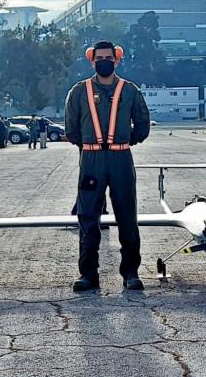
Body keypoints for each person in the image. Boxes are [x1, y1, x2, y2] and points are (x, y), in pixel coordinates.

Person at [65, 40, 151, 291]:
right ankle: (88, 275)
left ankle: (131, 273)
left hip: (121, 159)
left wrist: (126, 141)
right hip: (91, 161)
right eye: (99, 58)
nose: (104, 62)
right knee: (88, 219)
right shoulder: (79, 92)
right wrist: (90, 146)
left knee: (127, 217)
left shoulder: (130, 90)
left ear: (117, 60)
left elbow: (143, 124)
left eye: (108, 58)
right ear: (92, 61)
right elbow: (71, 129)